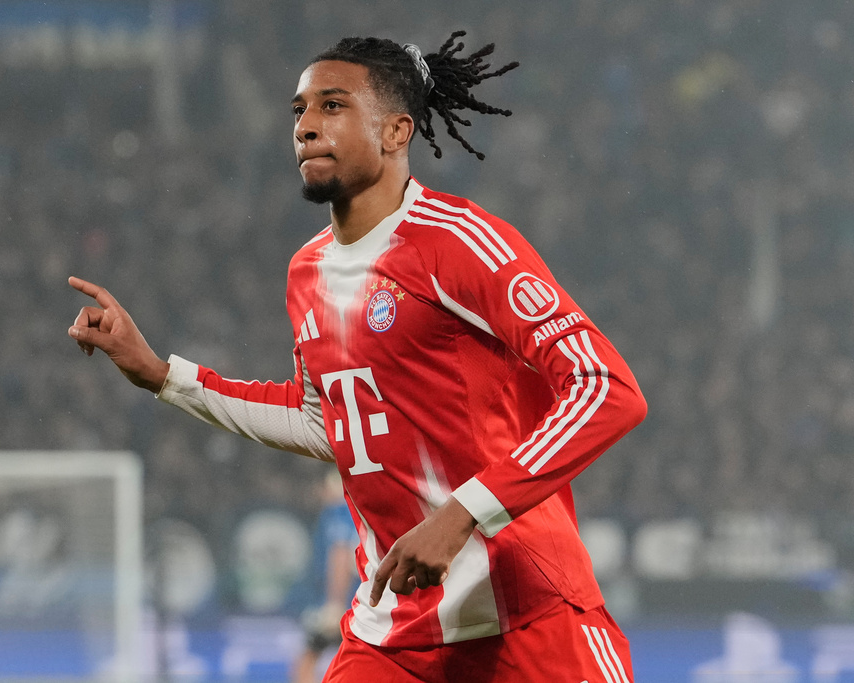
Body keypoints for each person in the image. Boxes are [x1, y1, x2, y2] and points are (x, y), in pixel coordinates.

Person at [68, 30, 647, 682]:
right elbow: (325, 421)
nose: (306, 126)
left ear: (396, 132)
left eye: (333, 106)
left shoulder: (460, 243)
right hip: (396, 630)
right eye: (300, 110)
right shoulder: (307, 271)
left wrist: (462, 514)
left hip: (529, 614)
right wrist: (161, 375)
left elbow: (607, 388)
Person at [292, 471, 360, 683]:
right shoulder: (356, 510)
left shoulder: (338, 511)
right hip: (359, 602)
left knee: (308, 660)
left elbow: (340, 554)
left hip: (344, 603)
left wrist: (334, 603)